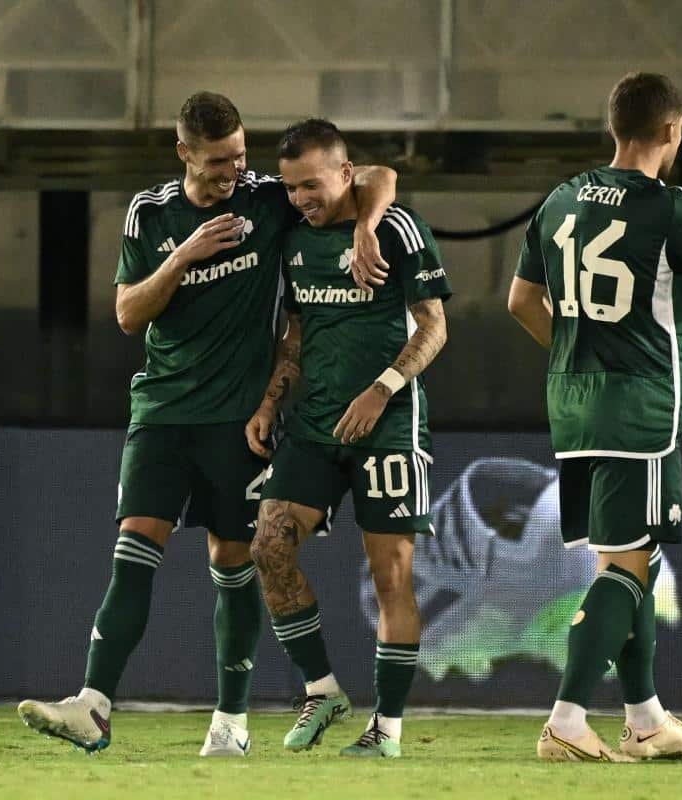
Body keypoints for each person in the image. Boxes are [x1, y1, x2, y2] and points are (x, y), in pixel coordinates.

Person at [17, 93, 397, 757]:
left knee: (233, 561)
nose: (233, 170)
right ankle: (93, 705)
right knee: (134, 550)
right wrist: (181, 257)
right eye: (219, 161)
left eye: (240, 156)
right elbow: (128, 314)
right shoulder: (150, 213)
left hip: (238, 420)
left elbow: (378, 175)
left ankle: (231, 723)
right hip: (162, 414)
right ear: (184, 153)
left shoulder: (266, 198)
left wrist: (367, 226)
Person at [508, 71, 682, 762]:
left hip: (573, 408)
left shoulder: (562, 198)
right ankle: (566, 720)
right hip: (640, 413)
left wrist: (581, 351)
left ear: (613, 126)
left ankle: (645, 717)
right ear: (673, 132)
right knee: (625, 570)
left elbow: (521, 301)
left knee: (632, 561)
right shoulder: (665, 207)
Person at [245, 119, 451, 759]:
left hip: (388, 425)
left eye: (311, 184)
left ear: (345, 173)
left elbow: (435, 327)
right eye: (291, 187)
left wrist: (382, 388)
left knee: (391, 576)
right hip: (315, 426)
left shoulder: (397, 228)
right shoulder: (294, 239)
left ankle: (386, 730)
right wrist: (270, 400)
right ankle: (322, 690)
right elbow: (297, 331)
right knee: (268, 548)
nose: (300, 198)